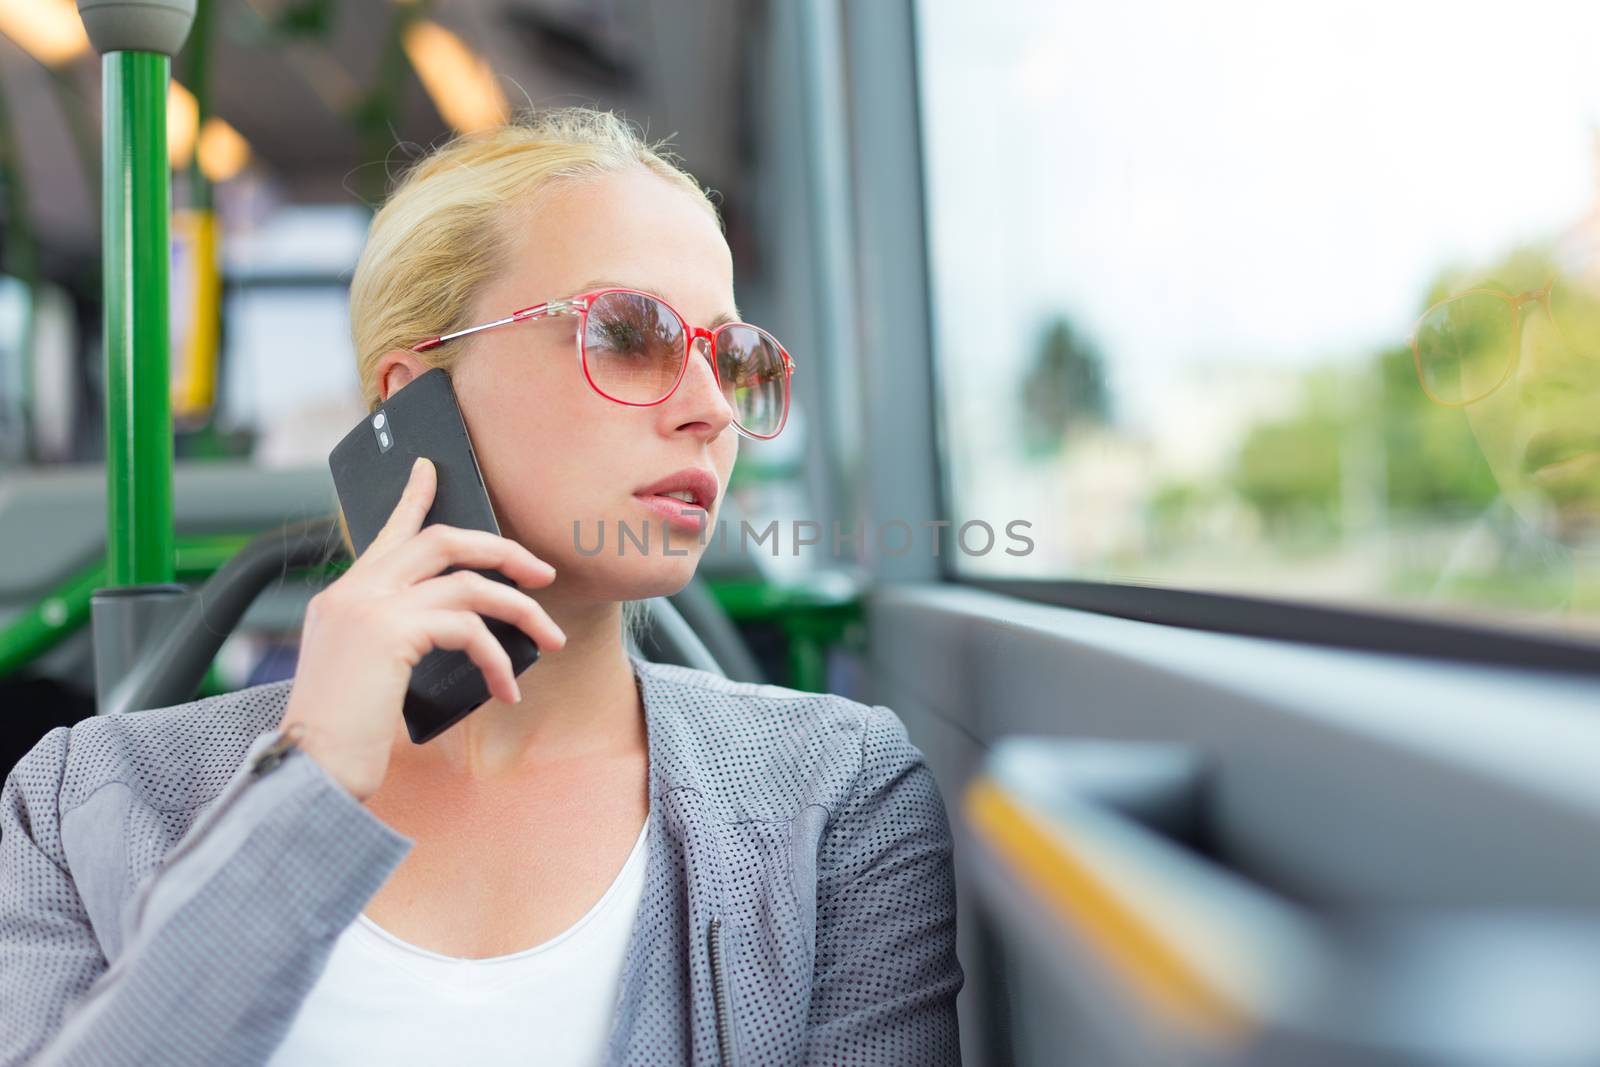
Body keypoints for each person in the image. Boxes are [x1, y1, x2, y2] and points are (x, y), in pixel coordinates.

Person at [0, 107, 963, 1066]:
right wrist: (313, 778)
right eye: (629, 334)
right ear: (412, 393)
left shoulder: (835, 796)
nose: (711, 410)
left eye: (730, 357)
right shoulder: (83, 802)